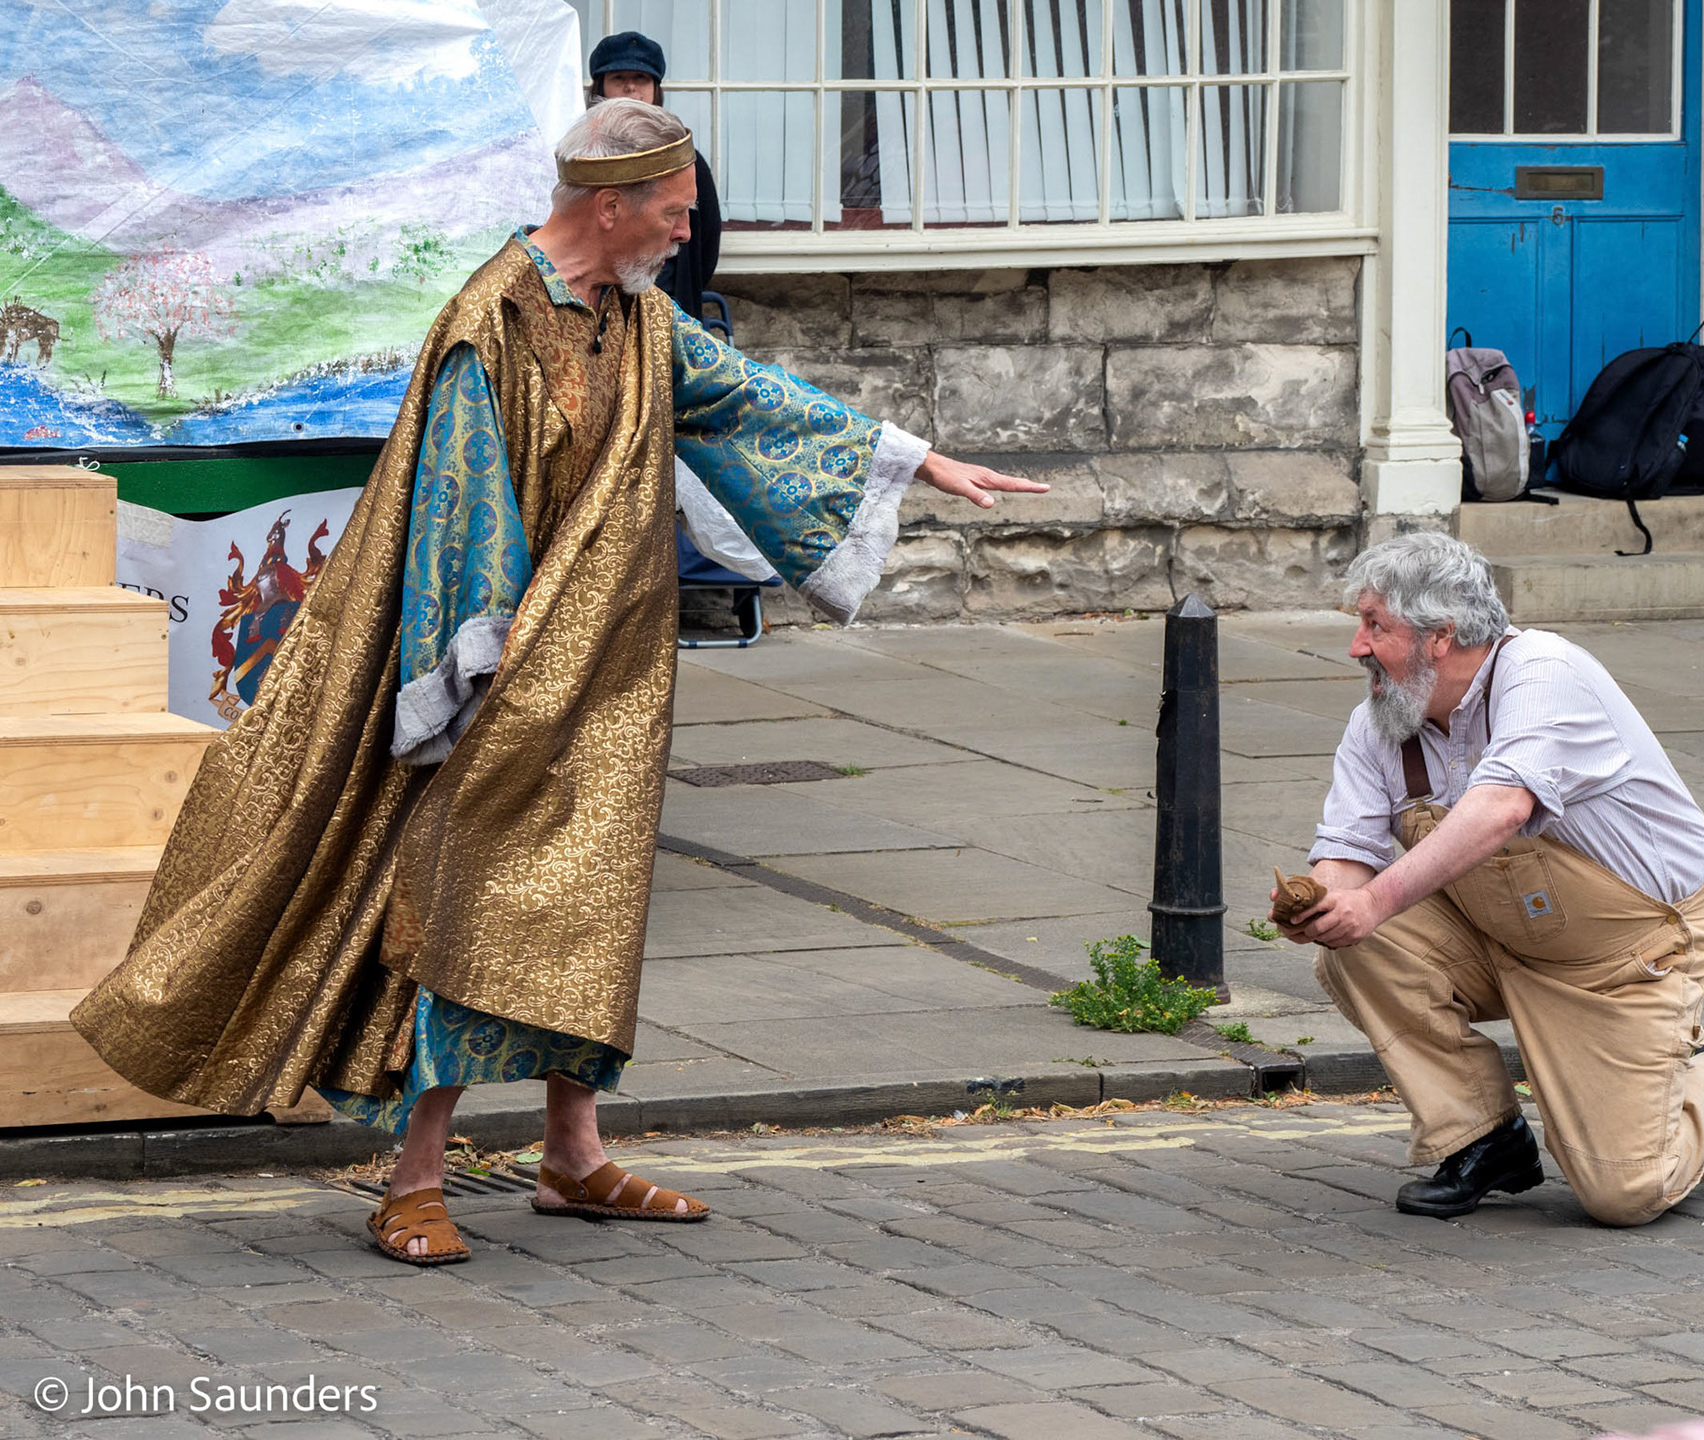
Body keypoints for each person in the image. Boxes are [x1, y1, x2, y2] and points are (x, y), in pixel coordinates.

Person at [72, 99, 1044, 1265]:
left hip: (611, 679)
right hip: (499, 677)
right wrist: (475, 673)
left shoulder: (636, 315)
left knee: (592, 904)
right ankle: (413, 1179)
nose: (687, 235)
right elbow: (462, 515)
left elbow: (743, 393)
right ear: (610, 205)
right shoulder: (493, 323)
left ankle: (574, 1157)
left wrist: (909, 457)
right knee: (460, 908)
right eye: (675, 214)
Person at [1275, 533, 1704, 1227]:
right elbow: (1348, 848)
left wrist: (1373, 900)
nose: (1357, 646)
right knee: (1355, 940)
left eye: (1374, 626)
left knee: (1625, 1194)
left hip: (1621, 961)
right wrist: (1324, 902)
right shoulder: (1379, 722)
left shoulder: (1544, 673)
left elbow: (1502, 807)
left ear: (1439, 635)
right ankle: (1483, 1140)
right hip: (1490, 935)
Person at [588, 31, 720, 324]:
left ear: (656, 89)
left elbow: (705, 247)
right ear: (600, 87)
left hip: (669, 313)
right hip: (593, 316)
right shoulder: (580, 161)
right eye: (619, 77)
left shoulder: (688, 162)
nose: (631, 87)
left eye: (642, 78)